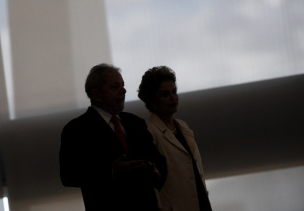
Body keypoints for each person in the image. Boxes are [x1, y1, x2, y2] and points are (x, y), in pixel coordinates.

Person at [60, 63, 167, 211]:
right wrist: (111, 171)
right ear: (96, 94)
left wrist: (155, 171)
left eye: (122, 85)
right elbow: (69, 175)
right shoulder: (77, 129)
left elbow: (158, 160)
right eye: (115, 87)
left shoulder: (136, 123)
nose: (123, 90)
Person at [138, 66, 212, 211]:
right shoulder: (149, 132)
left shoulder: (183, 126)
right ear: (151, 101)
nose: (173, 98)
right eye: (165, 94)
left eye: (174, 92)